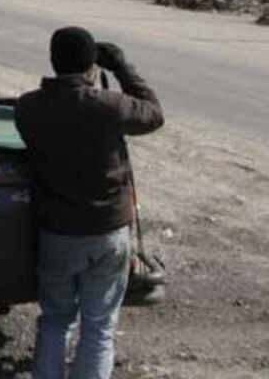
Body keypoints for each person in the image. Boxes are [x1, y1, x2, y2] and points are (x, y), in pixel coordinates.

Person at [14, 27, 164, 379]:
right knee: (98, 326)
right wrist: (124, 69)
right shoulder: (108, 106)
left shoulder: (29, 107)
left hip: (58, 232)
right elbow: (153, 114)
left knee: (54, 320)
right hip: (107, 231)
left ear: (52, 61)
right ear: (92, 66)